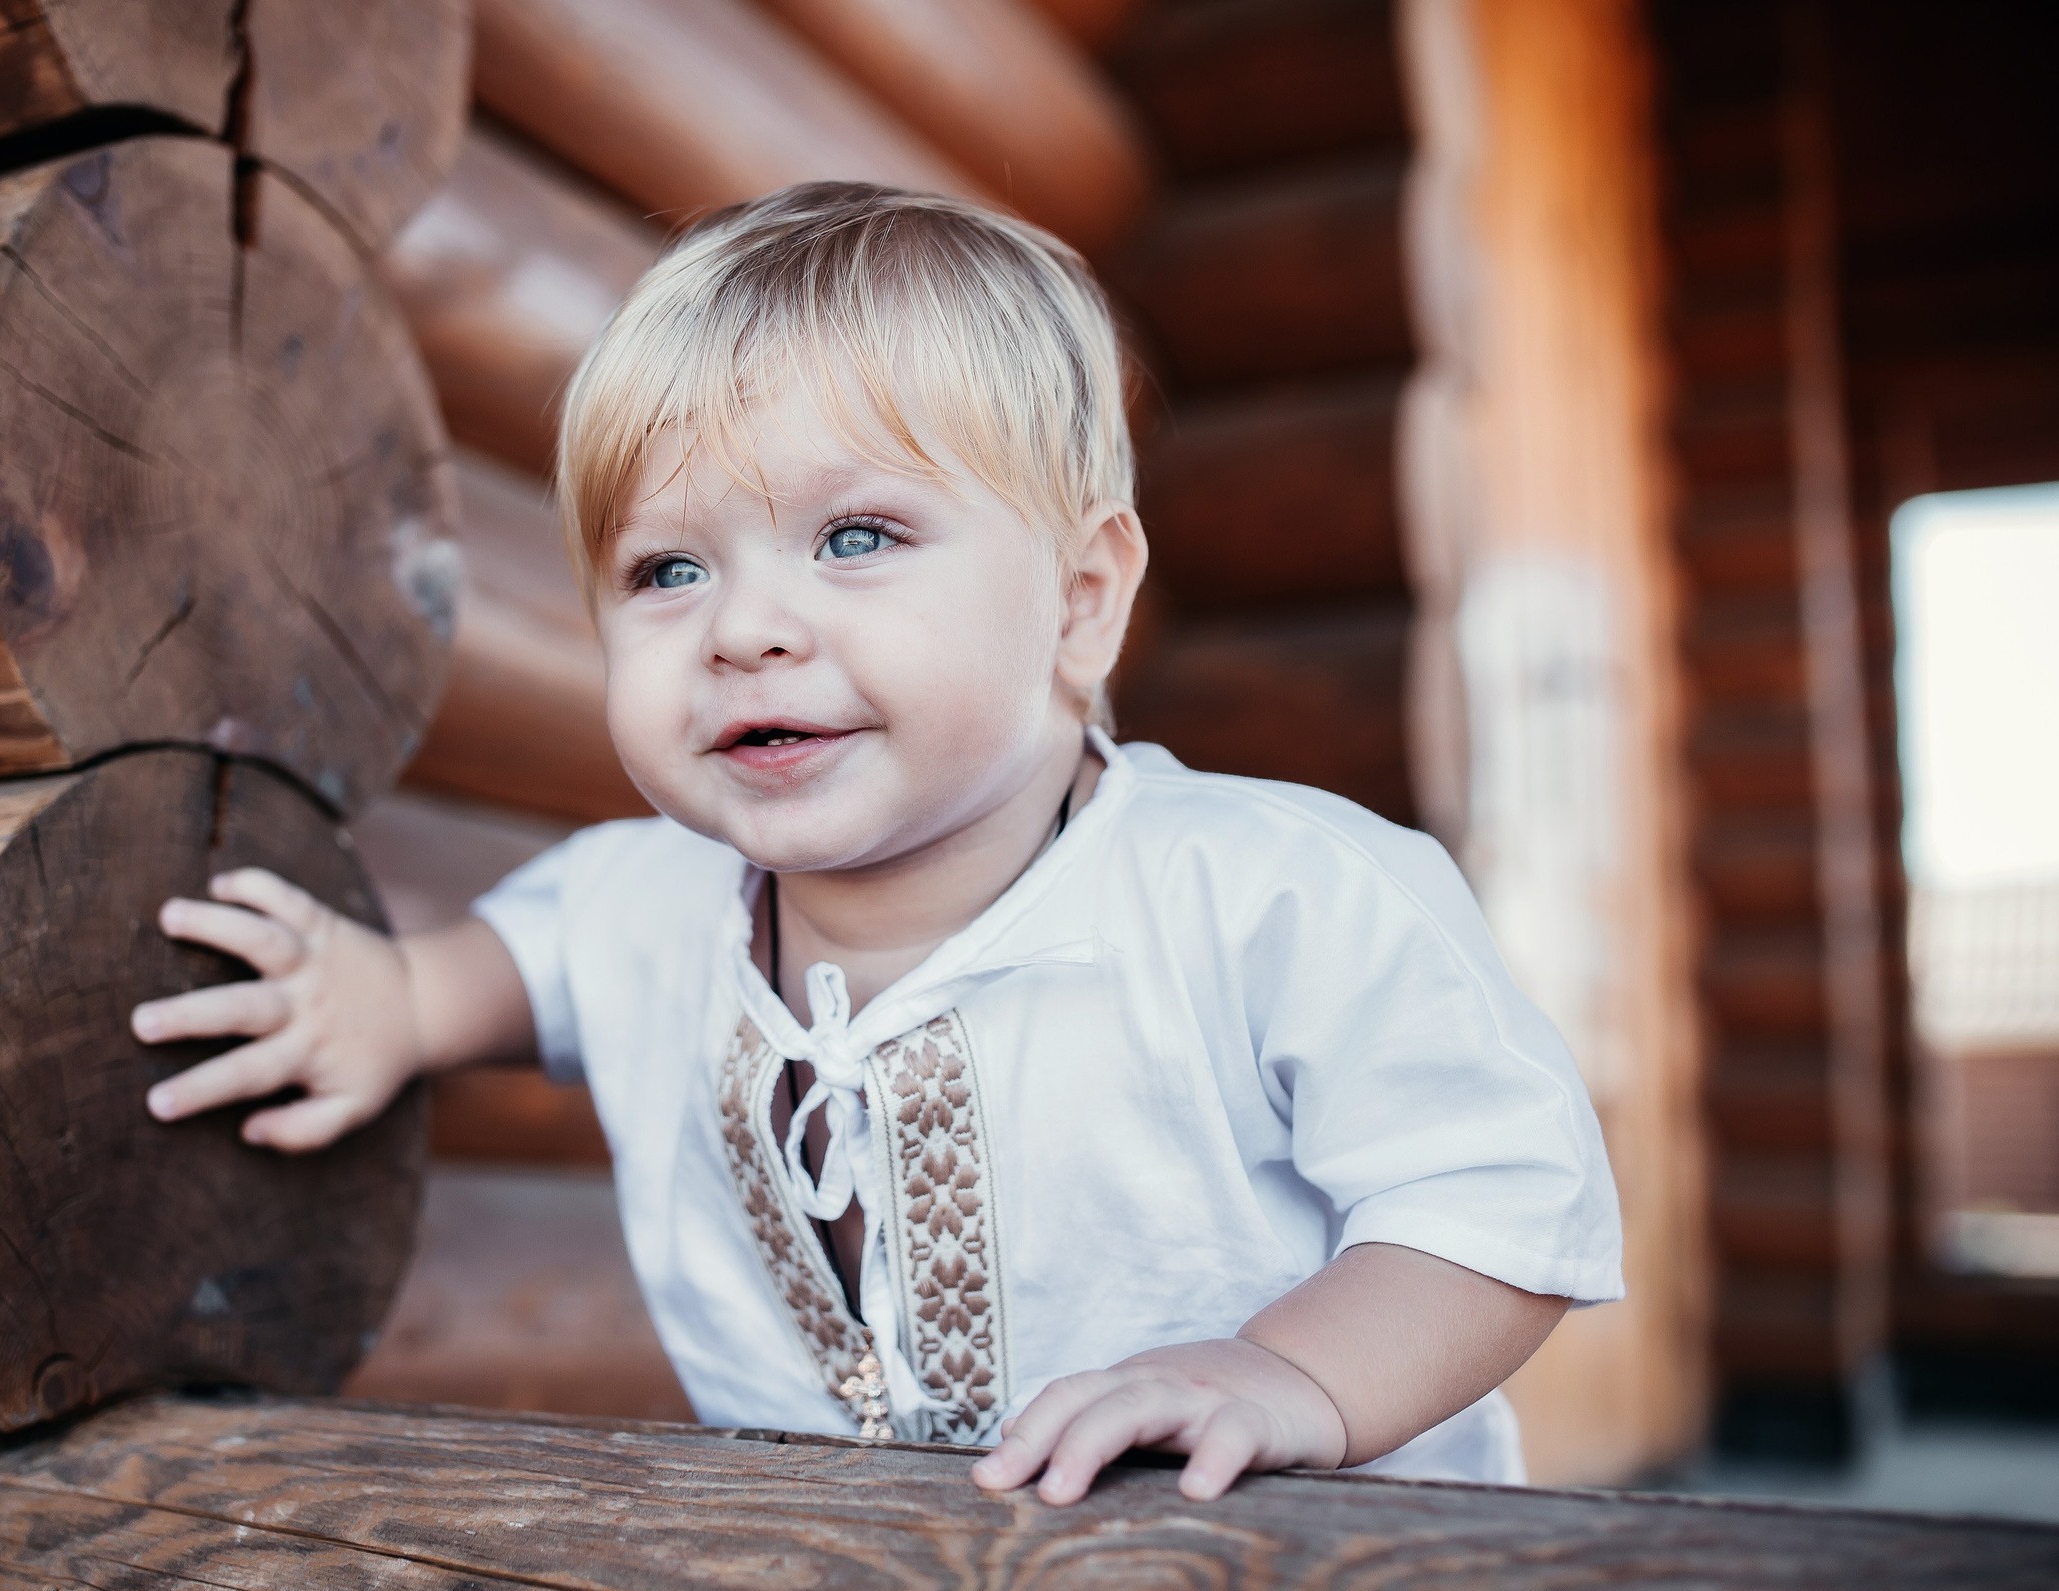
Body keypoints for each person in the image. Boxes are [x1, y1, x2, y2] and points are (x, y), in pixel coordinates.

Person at [129, 182, 1623, 1505]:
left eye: (855, 537)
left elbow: (1496, 1203)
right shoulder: (648, 903)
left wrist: (1281, 1378)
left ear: (1082, 598)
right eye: (667, 568)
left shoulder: (1275, 897)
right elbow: (517, 963)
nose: (748, 629)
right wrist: (381, 1004)